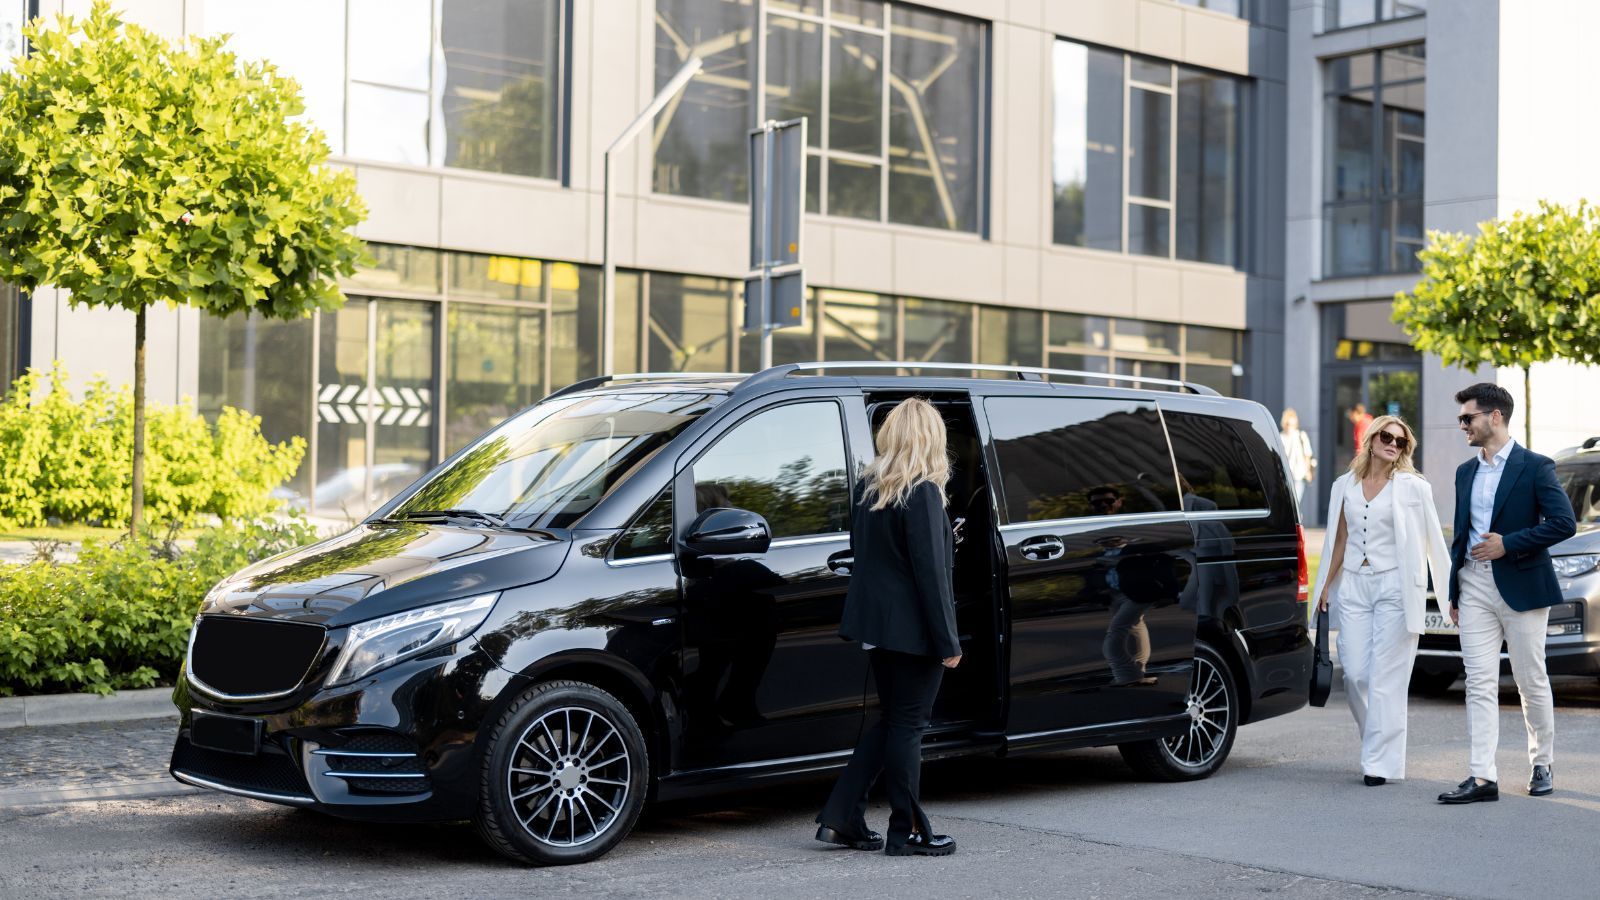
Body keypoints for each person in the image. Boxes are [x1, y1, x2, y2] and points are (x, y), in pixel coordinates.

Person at [815, 397, 961, 857]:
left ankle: (841, 819)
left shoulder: (869, 488)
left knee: (891, 722)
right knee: (909, 726)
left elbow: (871, 557)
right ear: (931, 438)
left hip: (877, 627)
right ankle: (910, 831)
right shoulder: (923, 492)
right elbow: (930, 577)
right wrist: (948, 642)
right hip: (914, 631)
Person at [1437, 383, 1577, 804]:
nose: (1463, 425)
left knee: (1530, 679)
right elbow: (1461, 537)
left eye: (1468, 418)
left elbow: (1563, 523)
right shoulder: (1466, 472)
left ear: (1494, 416)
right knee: (1477, 682)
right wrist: (1454, 591)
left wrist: (1509, 542)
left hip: (1521, 584)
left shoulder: (1535, 467)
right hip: (1474, 583)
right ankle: (1482, 776)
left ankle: (1541, 762)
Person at [1311, 414, 1450, 786]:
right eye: (1387, 437)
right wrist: (1325, 585)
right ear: (1371, 440)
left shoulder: (1413, 488)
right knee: (1355, 674)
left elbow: (1433, 541)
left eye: (1401, 442)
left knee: (1387, 678)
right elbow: (1339, 540)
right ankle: (1378, 742)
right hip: (1355, 585)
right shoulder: (1344, 485)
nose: (1393, 444)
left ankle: (1378, 763)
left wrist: (1450, 591)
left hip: (1395, 586)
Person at [1281, 408, 1316, 513]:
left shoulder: (1301, 436)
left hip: (1298, 475)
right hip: (1284, 476)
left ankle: (1295, 523)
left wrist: (1308, 471)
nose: (1289, 427)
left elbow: (1307, 455)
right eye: (1287, 424)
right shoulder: (1281, 436)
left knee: (1295, 502)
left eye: (1291, 424)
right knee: (1286, 503)